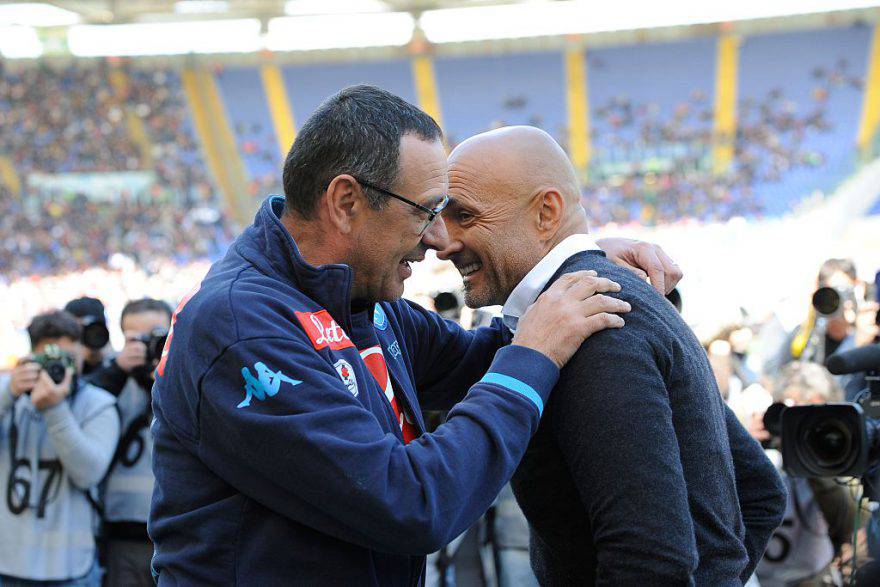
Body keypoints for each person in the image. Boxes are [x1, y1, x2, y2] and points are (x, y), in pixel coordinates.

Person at [147, 85, 679, 585]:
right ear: (346, 202)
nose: (438, 239)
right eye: (426, 211)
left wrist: (571, 258)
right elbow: (412, 503)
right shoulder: (241, 327)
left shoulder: (363, 303)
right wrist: (534, 353)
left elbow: (487, 358)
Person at [436, 126, 787, 585]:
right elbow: (760, 490)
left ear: (547, 212)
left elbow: (648, 561)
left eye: (464, 215)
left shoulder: (593, 325)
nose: (443, 242)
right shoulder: (606, 301)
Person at [0, 310, 120, 585]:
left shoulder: (99, 404)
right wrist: (9, 394)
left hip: (69, 567)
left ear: (81, 355)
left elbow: (88, 473)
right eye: (49, 360)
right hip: (6, 563)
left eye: (68, 360)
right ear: (31, 358)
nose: (61, 369)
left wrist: (55, 409)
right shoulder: (9, 393)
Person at [754, 361, 858, 587]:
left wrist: (815, 459)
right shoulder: (762, 453)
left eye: (815, 414)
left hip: (811, 578)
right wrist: (747, 446)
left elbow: (849, 522)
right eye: (794, 414)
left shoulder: (842, 458)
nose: (806, 425)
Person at [100, 299, 172, 587]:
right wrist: (118, 371)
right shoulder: (111, 379)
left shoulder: (186, 373)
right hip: (123, 535)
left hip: (175, 536)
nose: (145, 348)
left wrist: (166, 378)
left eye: (156, 336)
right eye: (135, 340)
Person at [64, 297, 111, 378]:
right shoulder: (64, 369)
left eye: (93, 331)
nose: (86, 336)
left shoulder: (119, 363)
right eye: (77, 331)